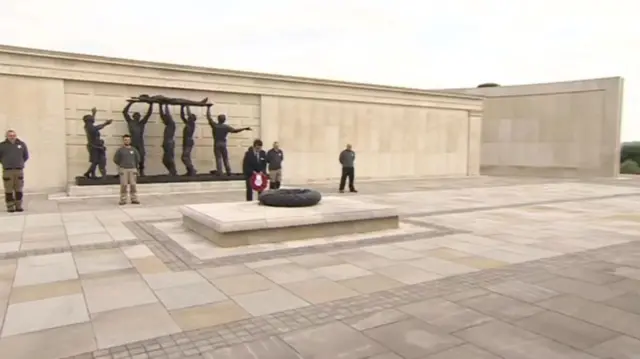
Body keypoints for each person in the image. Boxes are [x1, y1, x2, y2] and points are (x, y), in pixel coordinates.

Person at [206, 106, 251, 175]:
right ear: (224, 120)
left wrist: (208, 108)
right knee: (225, 158)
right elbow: (235, 131)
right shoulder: (226, 127)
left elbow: (209, 117)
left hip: (217, 143)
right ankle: (228, 171)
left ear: (218, 119)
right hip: (223, 143)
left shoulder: (215, 125)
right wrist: (245, 128)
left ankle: (220, 171)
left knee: (218, 158)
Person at [0, 130, 29, 212]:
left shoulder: (21, 144)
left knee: (19, 189)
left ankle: (18, 206)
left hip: (18, 170)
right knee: (8, 190)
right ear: (7, 136)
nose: (12, 137)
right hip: (7, 171)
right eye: (10, 135)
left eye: (13, 135)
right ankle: (10, 207)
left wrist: (19, 163)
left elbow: (26, 156)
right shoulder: (2, 146)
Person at [113, 134, 141, 205]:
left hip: (132, 169)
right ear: (123, 141)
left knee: (133, 184)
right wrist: (121, 165)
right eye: (125, 140)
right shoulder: (120, 150)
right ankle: (123, 199)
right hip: (123, 169)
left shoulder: (134, 150)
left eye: (128, 140)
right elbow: (116, 159)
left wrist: (135, 167)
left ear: (130, 140)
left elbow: (138, 159)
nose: (127, 141)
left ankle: (134, 199)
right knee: (124, 185)